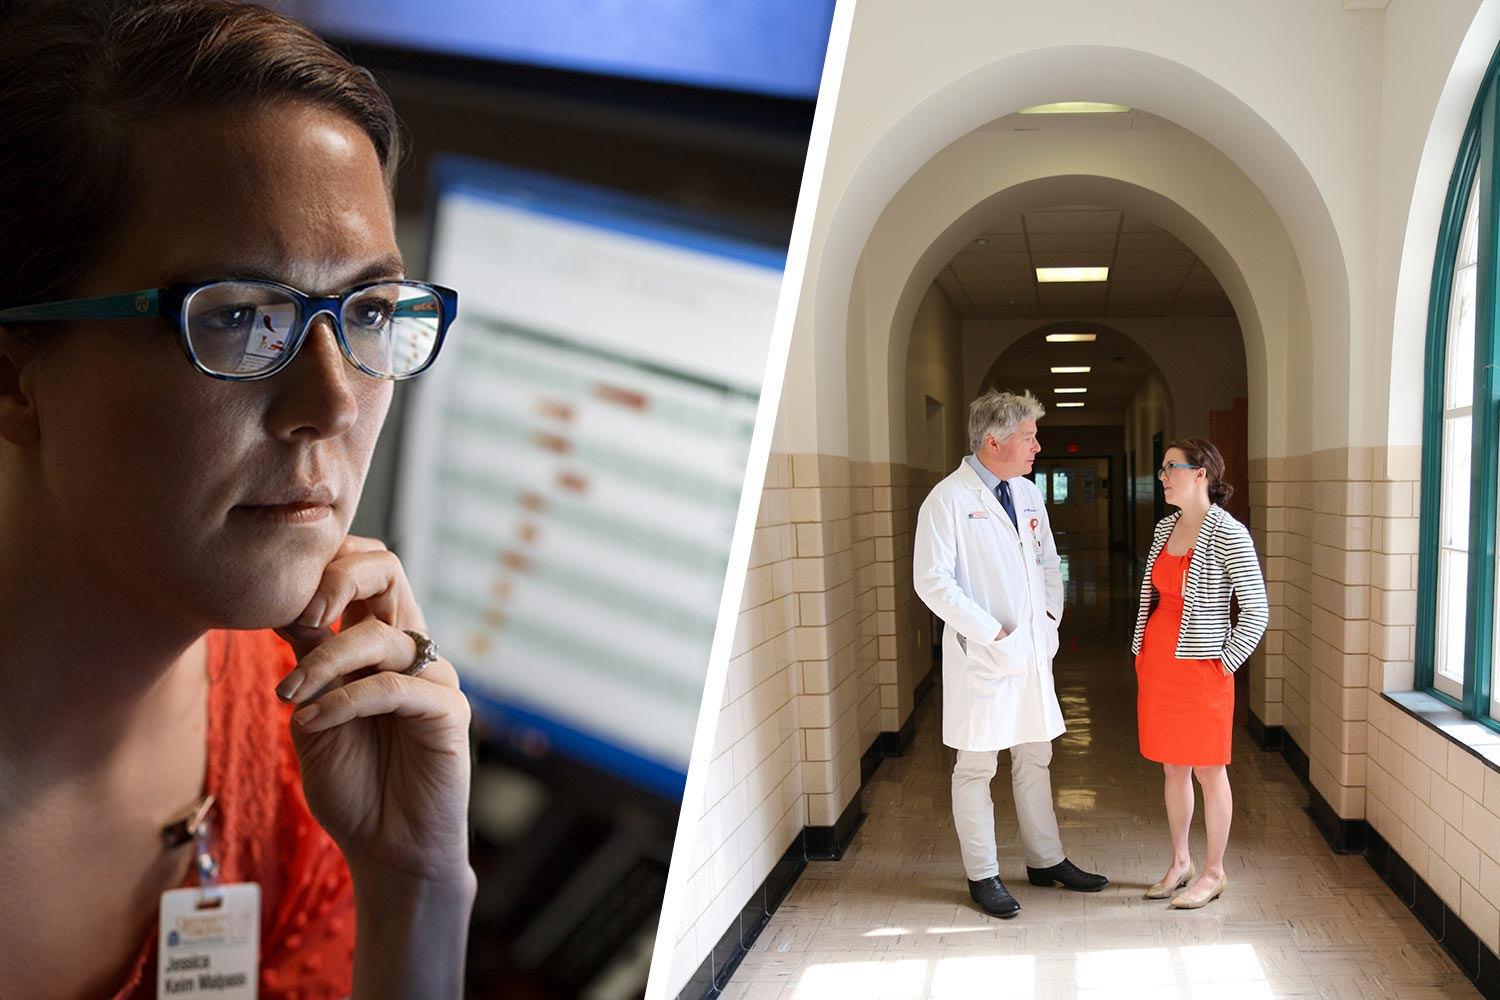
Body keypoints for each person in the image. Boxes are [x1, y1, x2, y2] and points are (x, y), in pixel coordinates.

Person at [0, 3, 474, 997]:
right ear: (14, 374)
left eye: (371, 312)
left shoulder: (312, 747)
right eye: (241, 316)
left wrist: (416, 891)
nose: (333, 400)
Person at [913, 389, 1108, 918]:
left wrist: (1047, 622)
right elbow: (931, 582)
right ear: (993, 441)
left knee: (1035, 755)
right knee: (977, 766)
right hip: (984, 655)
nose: (1037, 446)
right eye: (1028, 437)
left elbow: (1048, 562)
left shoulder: (1026, 493)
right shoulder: (948, 500)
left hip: (1031, 651)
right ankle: (983, 875)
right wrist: (991, 632)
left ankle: (1047, 861)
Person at [1132, 438, 1268, 909]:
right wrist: (1143, 654)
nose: (1163, 475)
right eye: (1163, 468)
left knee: (1210, 771)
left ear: (1201, 474)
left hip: (1202, 671)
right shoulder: (1164, 528)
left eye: (1172, 467)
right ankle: (1180, 862)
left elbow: (1256, 612)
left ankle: (1214, 871)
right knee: (1173, 766)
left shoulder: (1228, 533)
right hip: (1159, 667)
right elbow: (1155, 600)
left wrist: (1222, 663)